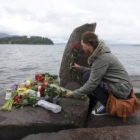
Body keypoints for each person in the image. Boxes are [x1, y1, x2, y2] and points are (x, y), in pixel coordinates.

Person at [65, 31, 133, 116]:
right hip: (121, 85)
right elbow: (95, 71)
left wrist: (73, 94)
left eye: (82, 44)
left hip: (122, 89)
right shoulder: (101, 54)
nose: (82, 47)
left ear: (88, 44)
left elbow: (91, 84)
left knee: (88, 78)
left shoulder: (101, 58)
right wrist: (80, 68)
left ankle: (108, 106)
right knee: (88, 75)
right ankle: (102, 100)